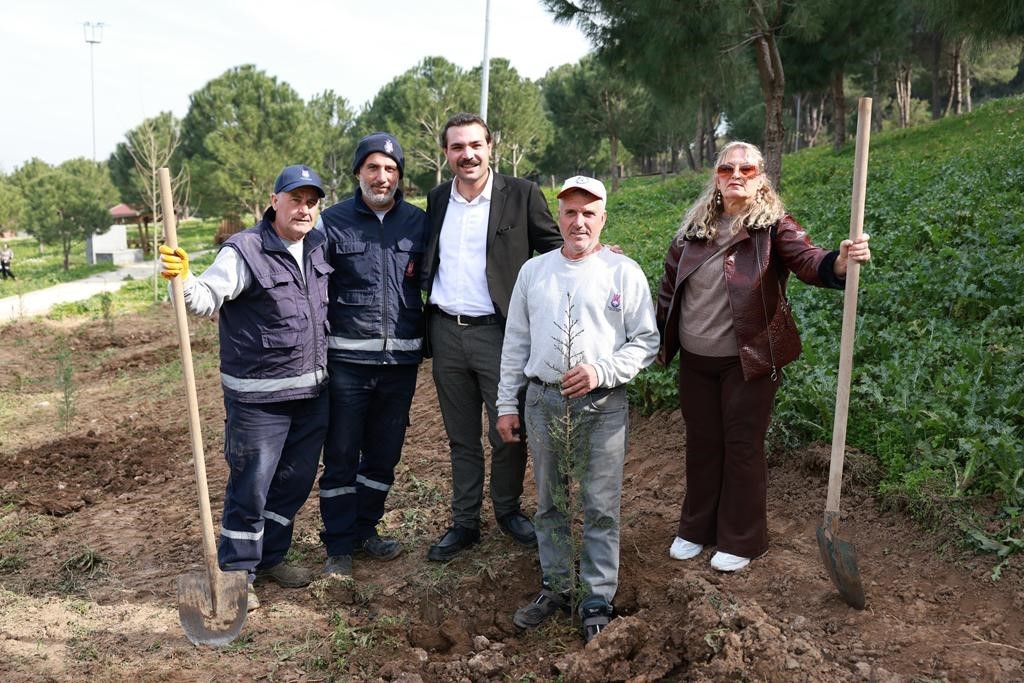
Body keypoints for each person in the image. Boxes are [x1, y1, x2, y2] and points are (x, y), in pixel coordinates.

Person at [656, 141, 872, 573]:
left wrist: (841, 263)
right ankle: (697, 529)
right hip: (696, 362)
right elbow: (668, 291)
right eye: (727, 168)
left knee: (741, 447)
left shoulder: (774, 228)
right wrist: (654, 342)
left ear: (760, 179)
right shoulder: (692, 232)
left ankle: (742, 538)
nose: (736, 175)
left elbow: (809, 260)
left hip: (749, 360)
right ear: (716, 178)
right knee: (702, 445)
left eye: (747, 169)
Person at [159, 165, 331, 610]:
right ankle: (237, 572)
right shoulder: (245, 251)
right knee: (251, 487)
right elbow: (204, 299)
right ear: (274, 200)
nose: (304, 208)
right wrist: (182, 278)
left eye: (311, 201)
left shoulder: (316, 246)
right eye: (295, 198)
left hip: (311, 394)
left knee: (293, 484)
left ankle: (271, 556)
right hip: (258, 400)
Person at [495, 175, 658, 643]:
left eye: (589, 212)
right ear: (558, 216)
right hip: (543, 400)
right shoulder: (535, 272)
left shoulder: (623, 273)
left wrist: (601, 371)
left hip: (602, 404)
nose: (579, 221)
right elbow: (516, 343)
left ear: (603, 218)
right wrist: (509, 402)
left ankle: (597, 597)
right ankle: (558, 586)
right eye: (570, 211)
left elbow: (645, 341)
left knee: (601, 505)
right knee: (549, 502)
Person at [423, 113, 563, 561]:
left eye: (475, 145)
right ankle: (464, 522)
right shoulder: (438, 198)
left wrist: (595, 252)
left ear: (490, 148)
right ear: (447, 154)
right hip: (445, 331)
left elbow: (552, 245)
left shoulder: (519, 195)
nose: (467, 155)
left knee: (507, 430)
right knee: (460, 436)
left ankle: (507, 511)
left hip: (500, 335)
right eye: (457, 147)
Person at [316, 133, 429, 577]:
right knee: (342, 455)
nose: (381, 178)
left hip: (400, 364)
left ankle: (366, 529)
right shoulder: (332, 222)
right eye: (373, 168)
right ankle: (338, 546)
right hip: (347, 365)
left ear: (399, 175)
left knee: (384, 454)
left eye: (390, 169)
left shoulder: (418, 223)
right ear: (358, 172)